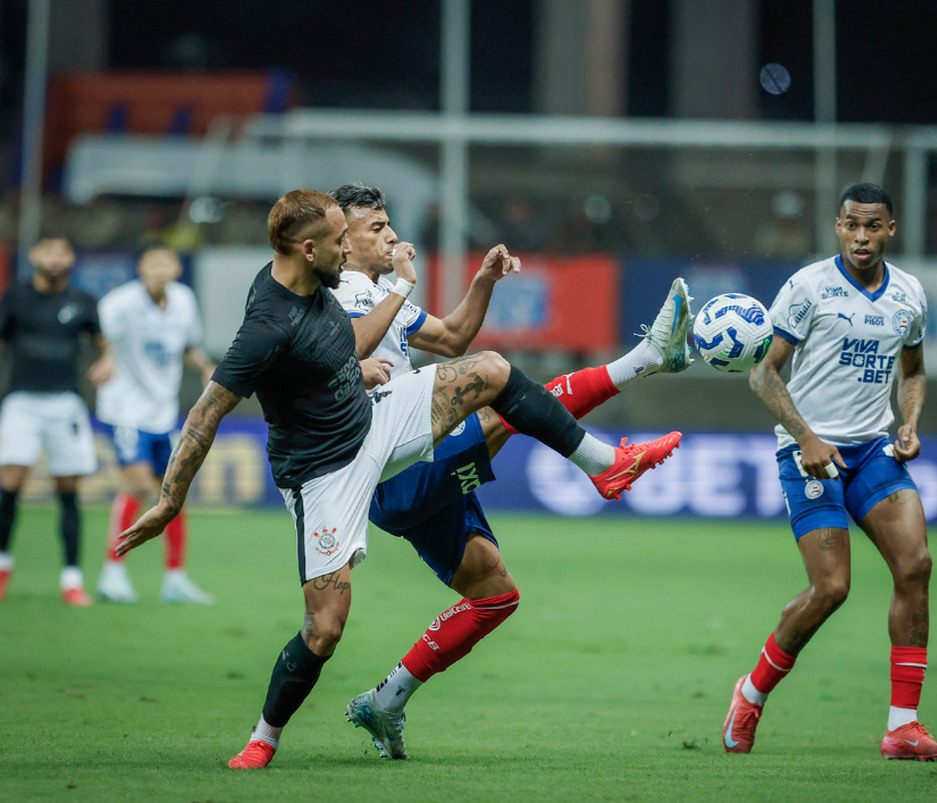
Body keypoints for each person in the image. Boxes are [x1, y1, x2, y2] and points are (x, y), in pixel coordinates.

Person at [114, 189, 681, 770]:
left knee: (491, 373)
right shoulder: (269, 321)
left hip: (377, 417)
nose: (367, 243)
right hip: (323, 469)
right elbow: (206, 412)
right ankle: (264, 737)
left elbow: (374, 342)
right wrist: (167, 502)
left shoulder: (327, 279)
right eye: (347, 236)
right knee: (325, 629)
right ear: (312, 250)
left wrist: (356, 360)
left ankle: (606, 464)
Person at [325, 183, 693, 760]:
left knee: (494, 594)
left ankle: (386, 701)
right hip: (390, 472)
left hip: (422, 459)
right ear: (340, 243)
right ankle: (638, 374)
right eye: (375, 229)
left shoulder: (378, 292)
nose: (392, 235)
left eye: (389, 222)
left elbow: (450, 339)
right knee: (502, 406)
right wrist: (398, 286)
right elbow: (345, 349)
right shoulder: (343, 291)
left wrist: (482, 284)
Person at [721, 183, 937, 761]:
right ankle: (750, 694)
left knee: (917, 564)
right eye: (851, 224)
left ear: (890, 230)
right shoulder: (808, 287)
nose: (861, 236)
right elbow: (763, 375)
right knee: (831, 588)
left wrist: (911, 419)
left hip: (873, 450)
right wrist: (807, 436)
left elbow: (916, 368)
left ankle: (903, 726)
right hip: (808, 454)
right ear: (837, 226)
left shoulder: (909, 295)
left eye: (873, 226)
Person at [91, 246, 217, 605]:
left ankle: (175, 579)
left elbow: (189, 346)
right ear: (140, 267)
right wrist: (105, 357)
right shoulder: (119, 303)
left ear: (177, 268)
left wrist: (205, 366)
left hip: (162, 414)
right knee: (136, 486)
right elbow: (98, 335)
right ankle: (111, 573)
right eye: (153, 264)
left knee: (174, 496)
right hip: (125, 410)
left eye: (167, 263)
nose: (160, 270)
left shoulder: (183, 301)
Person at [0, 236, 111, 606]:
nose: (55, 258)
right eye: (48, 250)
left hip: (66, 403)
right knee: (9, 483)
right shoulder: (15, 297)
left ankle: (71, 580)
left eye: (63, 251)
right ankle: (2, 567)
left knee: (68, 490)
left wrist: (106, 360)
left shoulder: (81, 301)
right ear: (34, 256)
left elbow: (101, 341)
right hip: (21, 402)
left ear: (70, 258)